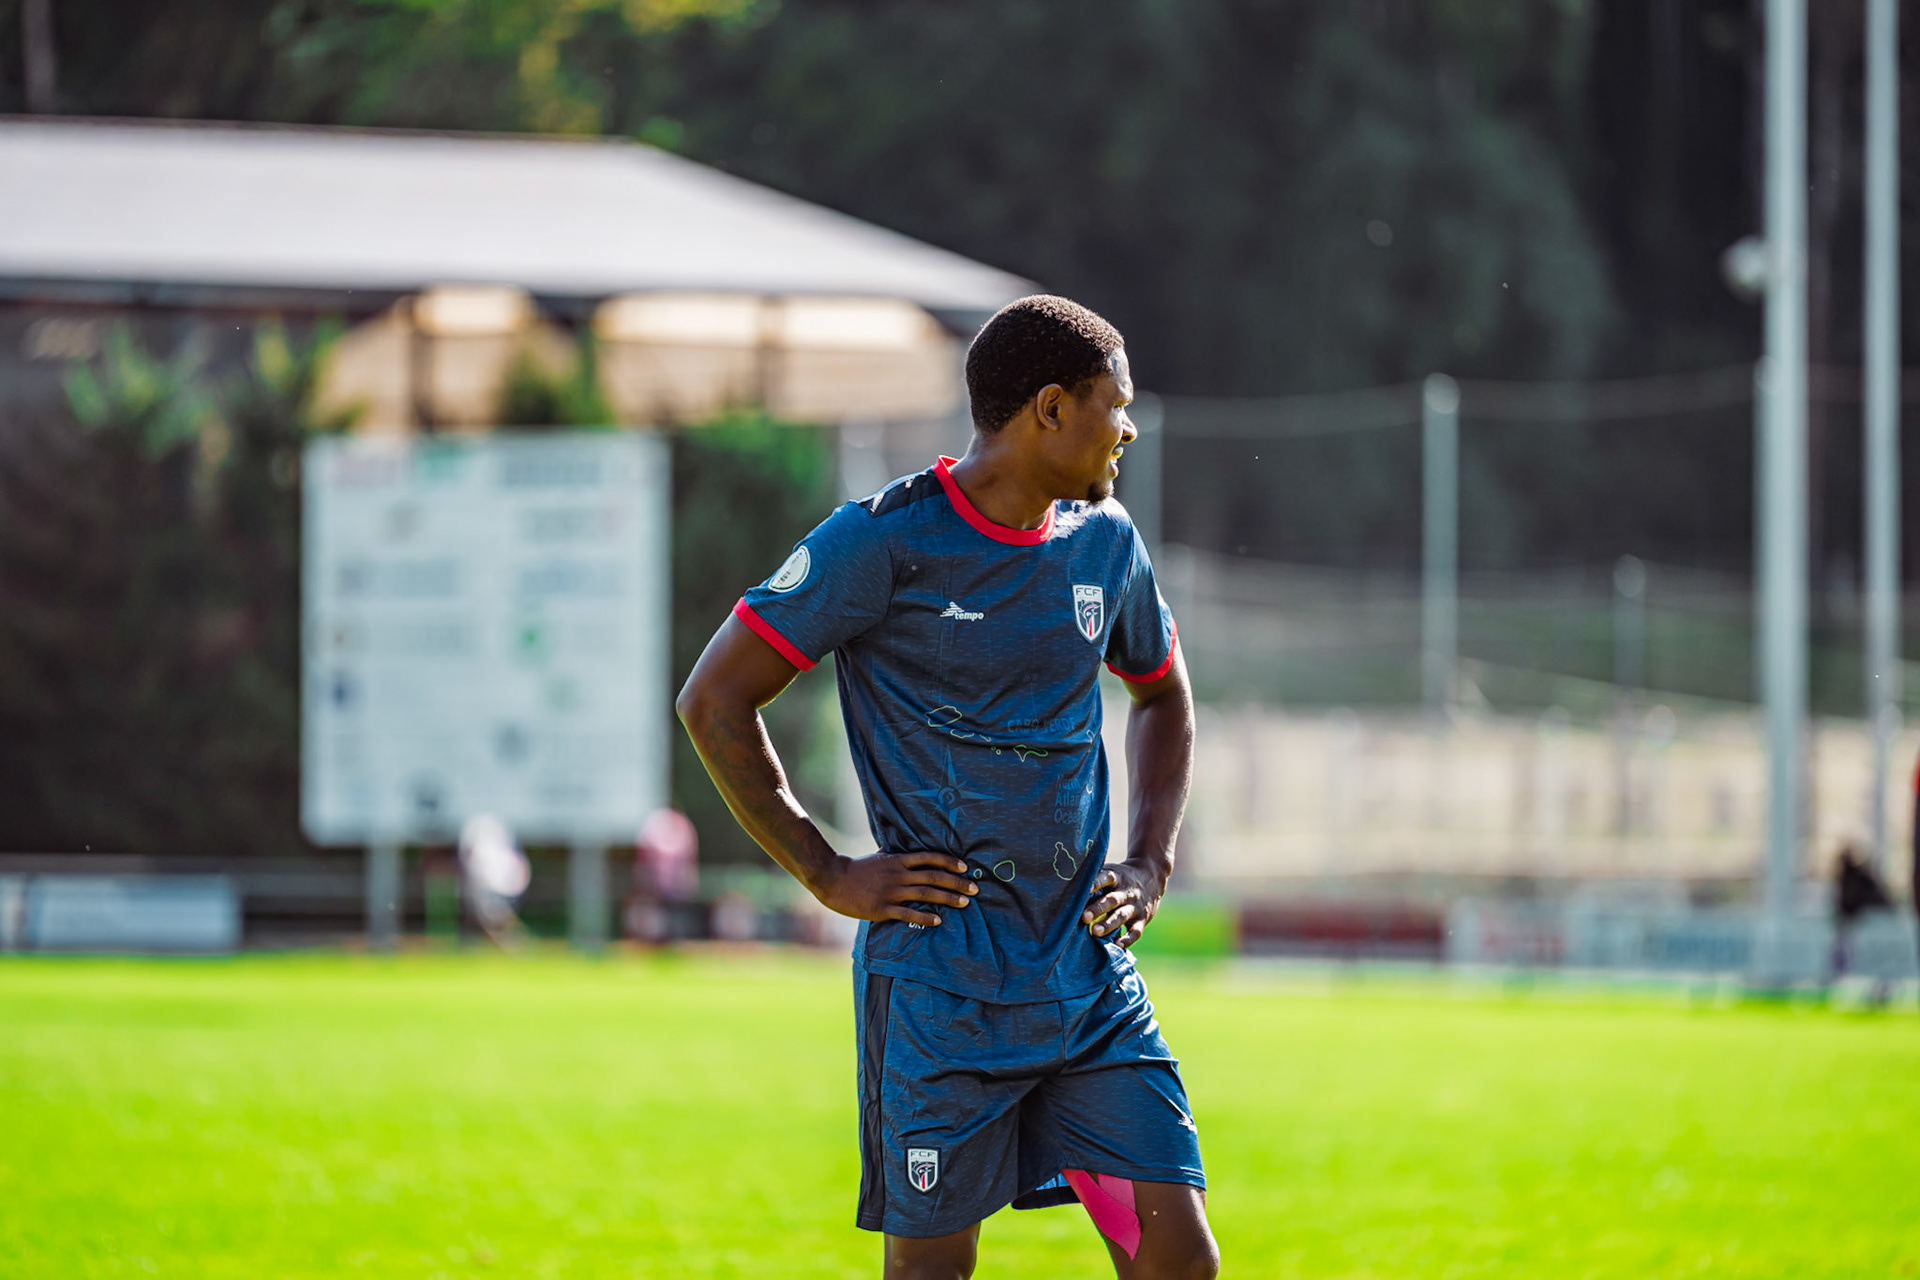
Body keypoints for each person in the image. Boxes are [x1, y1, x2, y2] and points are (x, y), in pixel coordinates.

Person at [677, 295, 1216, 1280]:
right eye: (1116, 403)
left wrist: (1149, 858)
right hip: (941, 991)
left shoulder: (1105, 541)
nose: (1129, 427)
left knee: (1177, 1261)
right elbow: (713, 701)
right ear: (1050, 408)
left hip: (1085, 978)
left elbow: (1163, 695)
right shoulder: (879, 542)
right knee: (932, 1274)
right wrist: (827, 871)